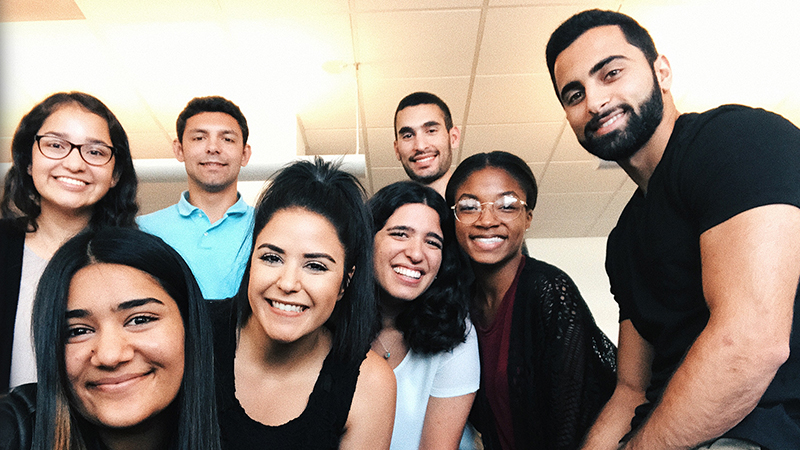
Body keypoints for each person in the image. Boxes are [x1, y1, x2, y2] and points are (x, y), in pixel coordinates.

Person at [546, 9, 800, 450]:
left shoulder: (735, 140)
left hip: (759, 431)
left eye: (611, 73)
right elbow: (632, 389)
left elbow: (751, 344)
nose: (594, 101)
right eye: (574, 94)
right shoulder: (624, 238)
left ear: (661, 70)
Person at [209, 157, 396, 449]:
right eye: (271, 258)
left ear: (345, 282)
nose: (287, 283)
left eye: (316, 266)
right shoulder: (194, 333)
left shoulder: (368, 382)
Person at [445, 151, 616, 450]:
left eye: (507, 206)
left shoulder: (548, 290)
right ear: (454, 218)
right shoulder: (459, 305)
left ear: (528, 218)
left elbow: (570, 422)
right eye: (469, 206)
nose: (487, 220)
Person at [0, 227, 220, 450]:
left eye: (140, 320)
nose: (110, 356)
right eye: (78, 331)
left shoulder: (241, 430)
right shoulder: (15, 429)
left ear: (189, 324)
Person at [0, 91, 138, 393]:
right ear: (27, 160)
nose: (75, 164)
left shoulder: (136, 260)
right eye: (55, 145)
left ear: (115, 174)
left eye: (96, 152)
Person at [367, 181, 479, 450]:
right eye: (400, 234)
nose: (416, 254)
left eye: (432, 242)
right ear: (366, 239)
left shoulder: (456, 331)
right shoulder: (329, 320)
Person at [138, 95, 253, 300]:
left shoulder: (267, 226)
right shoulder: (142, 230)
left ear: (245, 154)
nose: (213, 148)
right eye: (199, 138)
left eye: (227, 139)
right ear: (179, 149)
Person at [393, 92, 461, 196]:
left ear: (453, 138)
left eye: (431, 131)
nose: (420, 146)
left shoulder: (481, 209)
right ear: (397, 150)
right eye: (408, 136)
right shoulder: (385, 211)